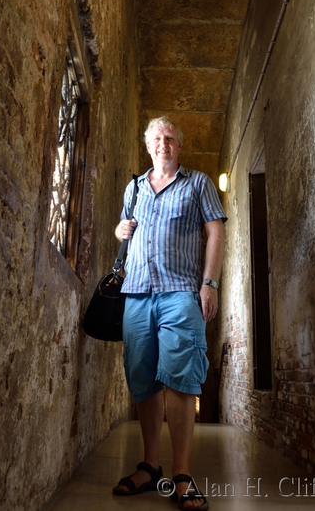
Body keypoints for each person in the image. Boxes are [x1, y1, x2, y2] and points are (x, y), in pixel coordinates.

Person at [112, 116, 226, 510]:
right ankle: (150, 466)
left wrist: (209, 284)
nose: (164, 143)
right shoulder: (134, 187)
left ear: (179, 145)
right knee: (142, 378)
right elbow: (124, 230)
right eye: (157, 138)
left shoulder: (198, 184)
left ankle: (181, 473)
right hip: (137, 292)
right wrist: (119, 232)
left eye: (171, 138)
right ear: (148, 145)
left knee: (180, 379)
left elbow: (215, 232)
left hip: (180, 292)